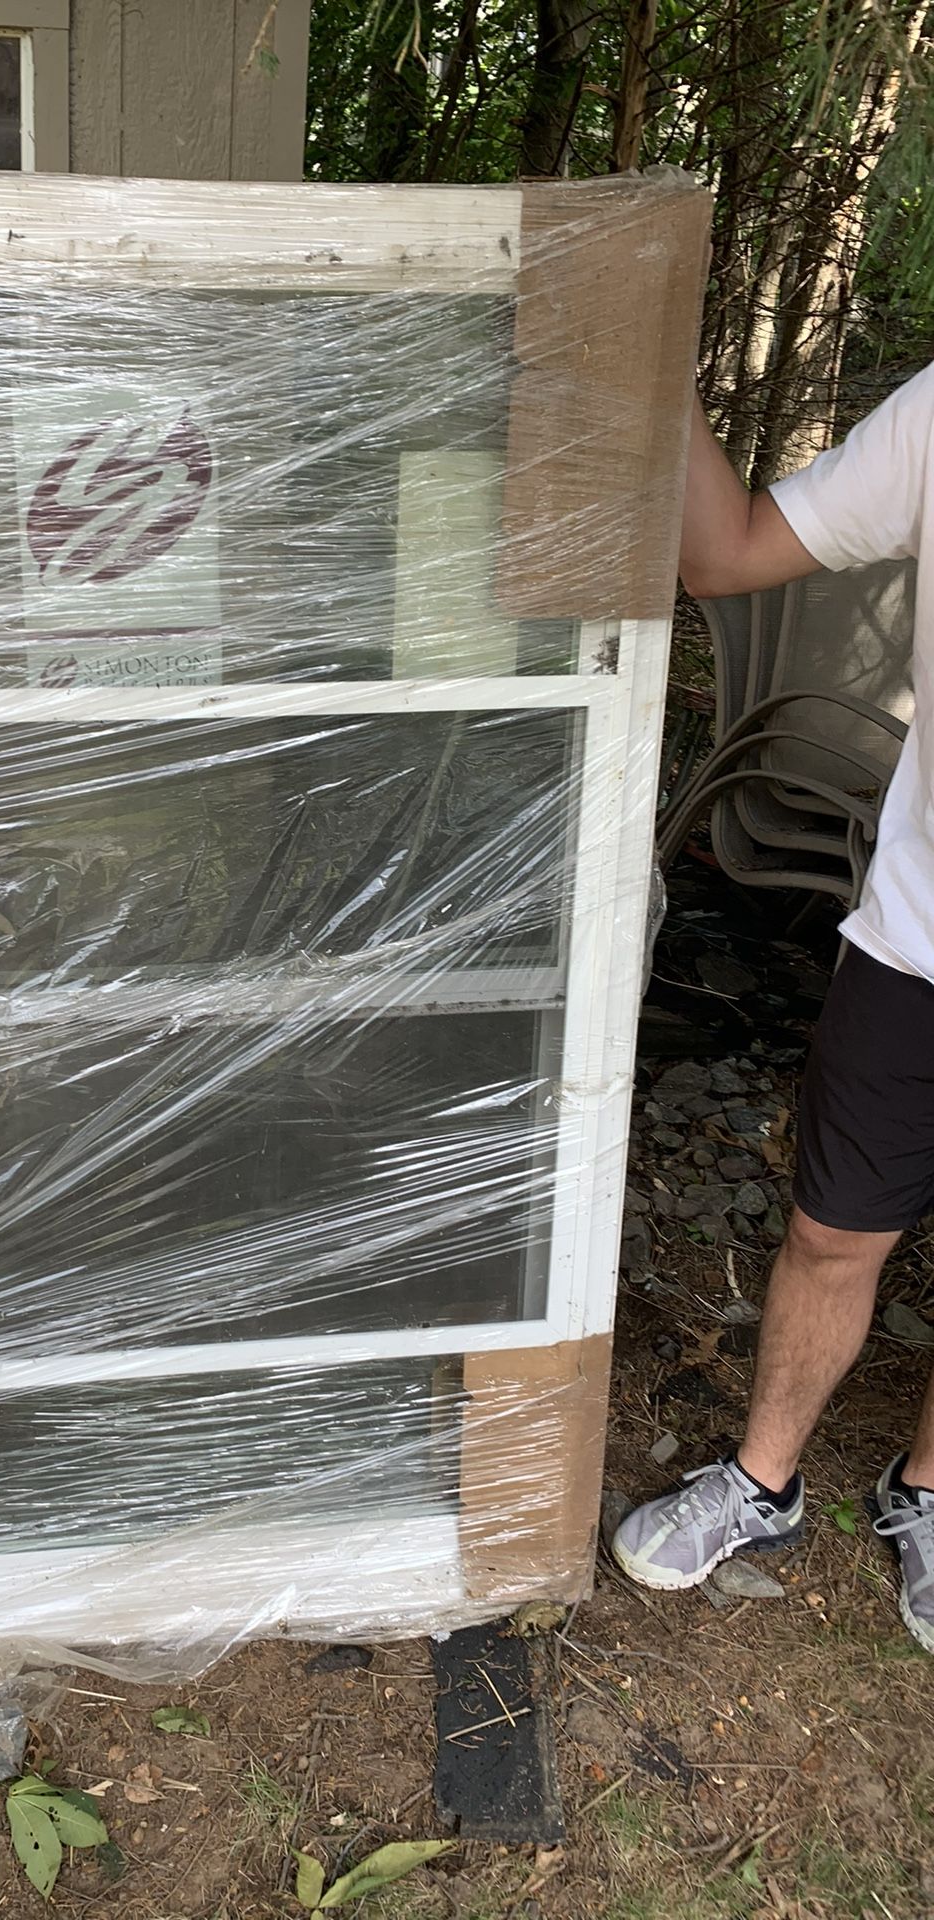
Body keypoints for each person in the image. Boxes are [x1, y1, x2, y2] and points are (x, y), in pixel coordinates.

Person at [612, 369, 934, 1653]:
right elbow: (726, 553)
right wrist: (660, 342)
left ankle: (926, 1494)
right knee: (828, 1234)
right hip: (919, 944)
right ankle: (761, 1482)